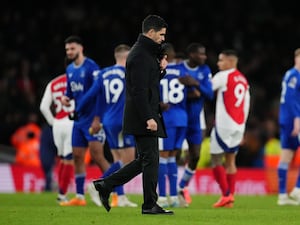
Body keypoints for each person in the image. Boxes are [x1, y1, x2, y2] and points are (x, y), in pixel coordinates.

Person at [91, 14, 174, 215]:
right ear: (151, 32)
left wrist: (161, 69)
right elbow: (138, 91)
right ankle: (148, 204)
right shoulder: (138, 56)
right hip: (142, 116)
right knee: (150, 159)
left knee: (146, 159)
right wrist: (148, 117)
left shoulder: (144, 54)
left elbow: (148, 84)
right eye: (161, 35)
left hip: (145, 114)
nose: (163, 39)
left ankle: (107, 185)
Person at [75, 44, 137, 207]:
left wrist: (78, 110)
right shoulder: (130, 73)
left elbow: (90, 95)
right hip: (123, 120)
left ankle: (120, 197)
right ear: (127, 57)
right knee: (129, 161)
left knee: (118, 158)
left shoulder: (103, 73)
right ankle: (97, 185)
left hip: (108, 121)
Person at [60, 35, 110, 206]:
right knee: (78, 157)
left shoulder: (91, 67)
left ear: (81, 48)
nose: (69, 52)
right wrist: (66, 98)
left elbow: (100, 93)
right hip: (79, 120)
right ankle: (80, 197)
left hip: (93, 119)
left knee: (97, 155)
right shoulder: (70, 70)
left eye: (72, 48)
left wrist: (98, 118)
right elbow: (70, 91)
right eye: (67, 49)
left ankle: (118, 193)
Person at [209, 49, 250, 208]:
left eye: (221, 60)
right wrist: (243, 127)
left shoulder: (223, 76)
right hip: (239, 126)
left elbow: (207, 89)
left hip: (224, 125)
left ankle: (226, 194)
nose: (218, 63)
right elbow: (246, 105)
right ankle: (230, 198)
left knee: (215, 160)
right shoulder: (244, 80)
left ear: (231, 62)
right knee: (231, 161)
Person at [176, 43, 214, 206]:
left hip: (195, 122)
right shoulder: (178, 68)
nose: (204, 57)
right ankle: (165, 191)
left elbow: (210, 94)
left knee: (195, 156)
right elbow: (176, 92)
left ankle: (181, 187)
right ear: (191, 54)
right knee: (173, 155)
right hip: (179, 118)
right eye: (200, 54)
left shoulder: (205, 70)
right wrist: (193, 91)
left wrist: (195, 84)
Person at [157, 42, 187, 208]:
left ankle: (162, 196)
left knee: (163, 156)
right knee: (172, 157)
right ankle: (174, 197)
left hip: (166, 118)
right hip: (182, 118)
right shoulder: (183, 70)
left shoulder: (160, 71)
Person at [40, 73, 75, 203]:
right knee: (69, 159)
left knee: (62, 158)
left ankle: (61, 193)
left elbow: (43, 107)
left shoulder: (53, 83)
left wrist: (52, 122)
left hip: (58, 124)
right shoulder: (77, 81)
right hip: (71, 122)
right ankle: (62, 195)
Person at [277, 48, 300, 206]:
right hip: (293, 119)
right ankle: (297, 189)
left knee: (286, 155)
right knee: (286, 155)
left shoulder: (289, 74)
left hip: (286, 118)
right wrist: (297, 119)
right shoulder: (294, 75)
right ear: (296, 58)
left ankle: (283, 196)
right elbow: (291, 100)